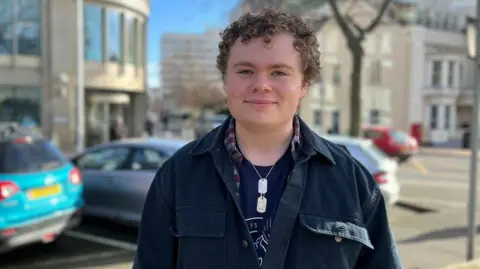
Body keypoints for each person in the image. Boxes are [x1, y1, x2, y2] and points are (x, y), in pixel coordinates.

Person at [134, 8, 402, 269]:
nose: (262, 84)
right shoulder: (178, 174)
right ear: (225, 80)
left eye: (279, 72)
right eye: (245, 71)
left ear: (304, 84)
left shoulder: (352, 181)